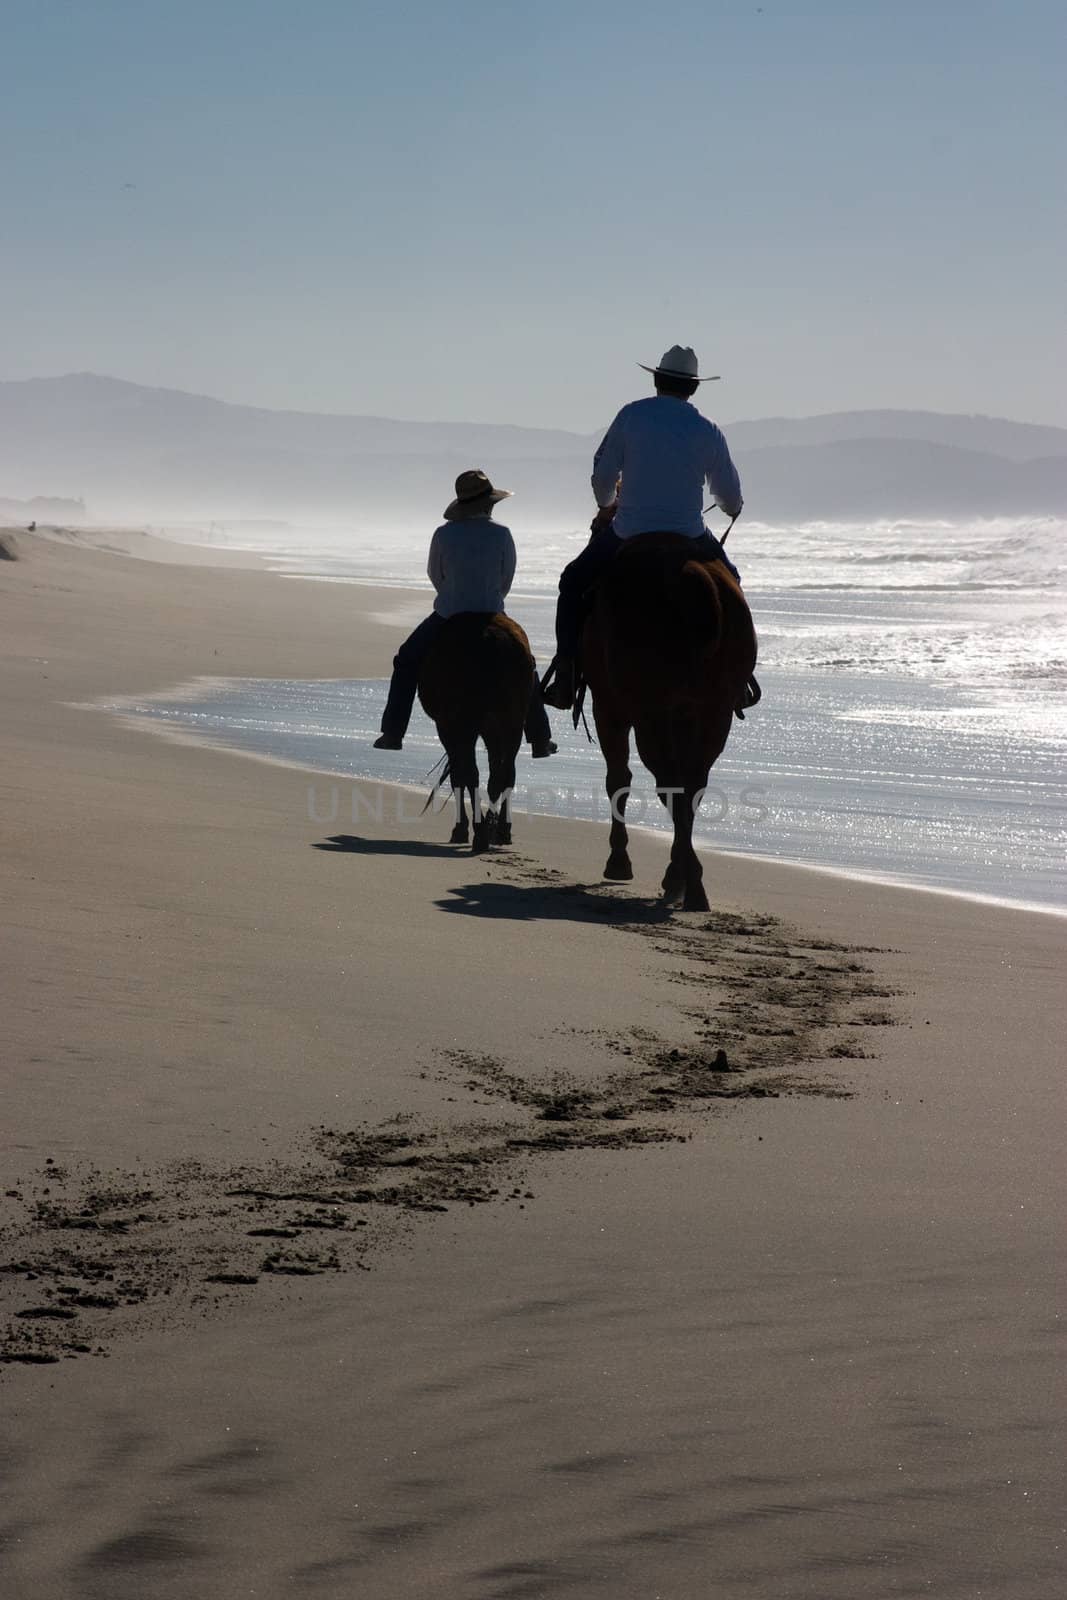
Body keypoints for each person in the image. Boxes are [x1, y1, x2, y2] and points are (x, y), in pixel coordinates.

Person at [542, 345, 760, 716]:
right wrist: (732, 510)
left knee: (573, 582)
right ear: (693, 388)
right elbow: (729, 494)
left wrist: (608, 503)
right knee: (733, 583)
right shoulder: (707, 429)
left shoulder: (631, 416)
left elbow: (602, 474)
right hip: (689, 533)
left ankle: (566, 674)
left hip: (628, 530)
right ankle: (739, 680)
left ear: (657, 380)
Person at [374, 468, 557, 754]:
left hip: (448, 614)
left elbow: (435, 574)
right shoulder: (502, 534)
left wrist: (454, 596)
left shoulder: (443, 534)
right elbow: (506, 578)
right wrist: (489, 600)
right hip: (492, 611)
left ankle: (393, 732)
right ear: (489, 504)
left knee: (407, 660)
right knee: (525, 664)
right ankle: (539, 737)